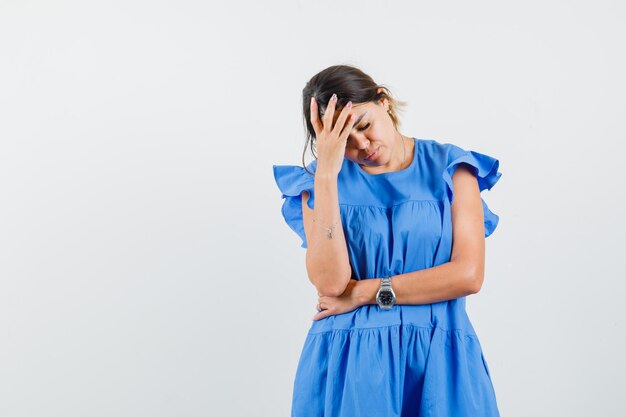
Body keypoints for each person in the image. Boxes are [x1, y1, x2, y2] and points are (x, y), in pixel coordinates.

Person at [272, 64, 502, 417]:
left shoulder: (451, 168)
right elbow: (331, 283)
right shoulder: (317, 183)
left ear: (384, 102)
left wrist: (365, 292)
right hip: (352, 361)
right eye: (344, 141)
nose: (362, 145)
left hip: (440, 356)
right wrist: (328, 176)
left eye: (364, 126)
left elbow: (468, 275)